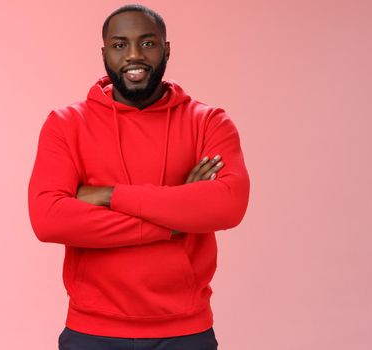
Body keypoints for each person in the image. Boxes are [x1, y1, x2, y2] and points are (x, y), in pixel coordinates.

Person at [27, 4, 250, 349]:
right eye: (120, 45)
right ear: (104, 53)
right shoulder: (66, 124)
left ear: (167, 48)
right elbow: (49, 219)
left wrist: (106, 195)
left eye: (147, 43)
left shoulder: (209, 122)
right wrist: (174, 219)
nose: (134, 55)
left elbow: (228, 206)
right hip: (92, 331)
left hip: (185, 331)